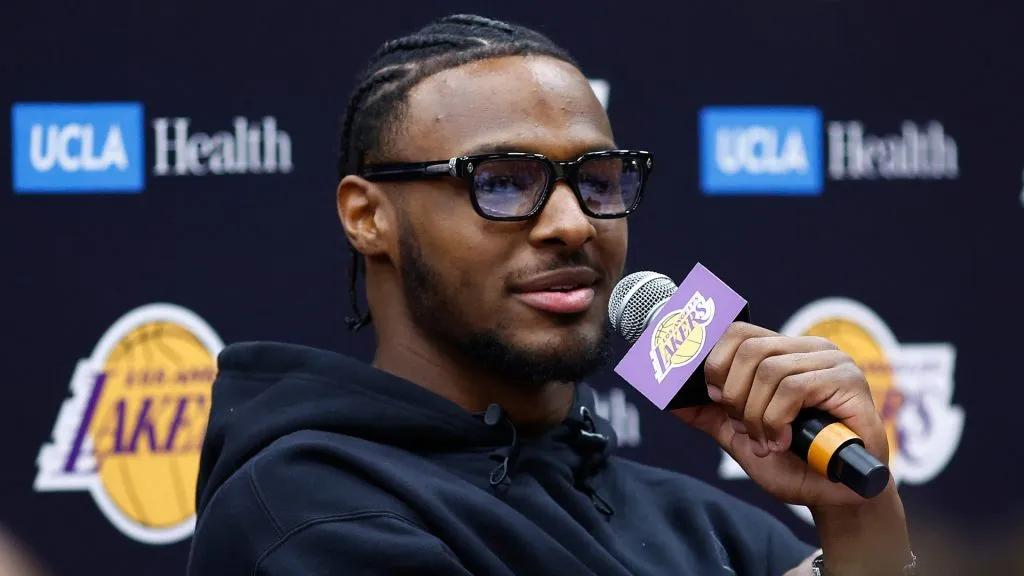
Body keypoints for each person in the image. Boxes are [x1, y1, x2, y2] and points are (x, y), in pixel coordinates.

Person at [186, 13, 916, 576]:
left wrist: (858, 523)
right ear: (367, 216)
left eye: (598, 182)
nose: (572, 225)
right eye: (502, 182)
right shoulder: (301, 514)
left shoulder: (713, 528)